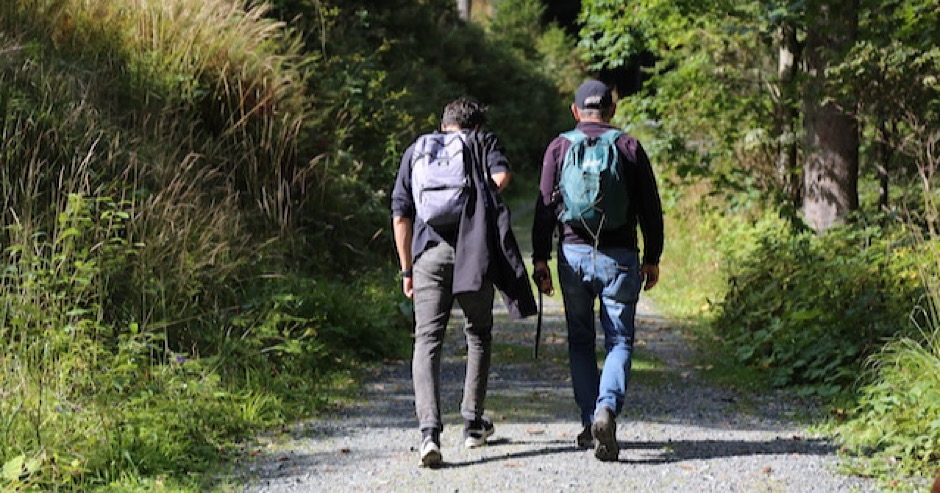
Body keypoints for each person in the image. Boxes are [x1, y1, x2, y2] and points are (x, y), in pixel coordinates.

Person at [391, 97, 536, 468]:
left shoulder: (417, 150)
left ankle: (428, 434)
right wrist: (479, 194)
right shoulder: (481, 142)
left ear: (443, 126)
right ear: (476, 126)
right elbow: (501, 178)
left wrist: (407, 269)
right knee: (478, 333)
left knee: (427, 340)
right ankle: (472, 423)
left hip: (428, 256)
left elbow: (401, 215)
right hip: (473, 253)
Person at [531, 80, 664, 462]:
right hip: (619, 256)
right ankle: (607, 408)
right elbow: (651, 208)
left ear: (575, 112)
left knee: (579, 341)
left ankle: (590, 419)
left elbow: (543, 207)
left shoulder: (559, 146)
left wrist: (540, 258)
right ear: (612, 111)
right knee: (620, 341)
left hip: (572, 255)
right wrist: (652, 256)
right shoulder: (628, 146)